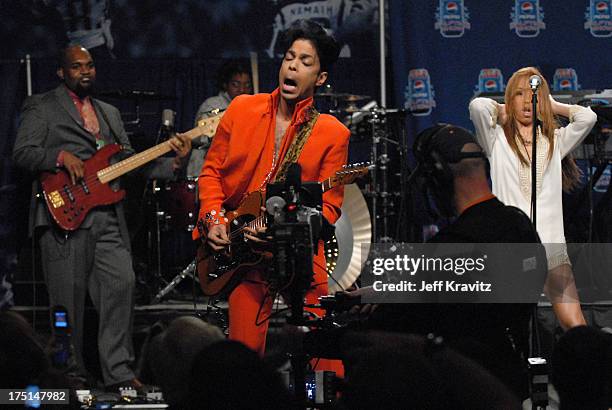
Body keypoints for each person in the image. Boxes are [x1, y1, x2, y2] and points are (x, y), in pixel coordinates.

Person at [12, 45, 192, 390]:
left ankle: (120, 373)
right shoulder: (42, 105)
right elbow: (22, 152)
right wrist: (61, 156)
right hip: (64, 214)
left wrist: (173, 161)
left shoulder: (108, 112)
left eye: (90, 65)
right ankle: (69, 375)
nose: (85, 71)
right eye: (77, 66)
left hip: (108, 217)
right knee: (66, 304)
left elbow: (128, 165)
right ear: (62, 73)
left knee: (121, 286)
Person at [193, 20, 349, 357]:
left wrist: (284, 230)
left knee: (325, 357)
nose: (292, 65)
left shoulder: (333, 134)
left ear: (320, 78)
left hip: (300, 258)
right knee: (243, 359)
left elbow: (330, 209)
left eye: (306, 62)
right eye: (289, 57)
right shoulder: (242, 109)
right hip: (243, 255)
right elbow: (210, 175)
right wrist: (214, 219)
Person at [469, 67, 598, 330]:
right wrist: (503, 108)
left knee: (576, 326)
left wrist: (551, 104)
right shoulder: (495, 140)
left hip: (552, 250)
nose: (527, 101)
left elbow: (587, 118)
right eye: (519, 94)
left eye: (533, 96)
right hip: (511, 248)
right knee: (506, 327)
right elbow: (478, 106)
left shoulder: (555, 142)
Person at [187, 60, 253, 177]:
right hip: (206, 169)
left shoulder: (251, 106)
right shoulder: (212, 105)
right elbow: (202, 137)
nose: (242, 90)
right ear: (225, 84)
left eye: (247, 85)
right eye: (236, 85)